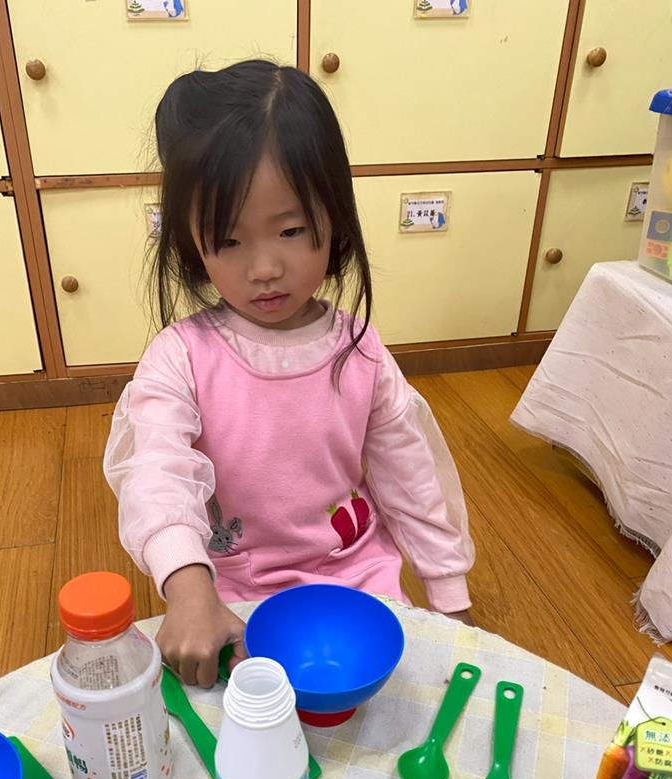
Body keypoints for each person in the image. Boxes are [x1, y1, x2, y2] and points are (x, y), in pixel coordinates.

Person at [104, 60, 475, 687]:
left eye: (292, 230)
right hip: (230, 589)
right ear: (193, 243)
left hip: (358, 579)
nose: (265, 268)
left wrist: (450, 596)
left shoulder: (360, 349)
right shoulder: (180, 356)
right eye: (229, 241)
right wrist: (188, 585)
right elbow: (156, 473)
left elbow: (411, 478)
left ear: (336, 216)